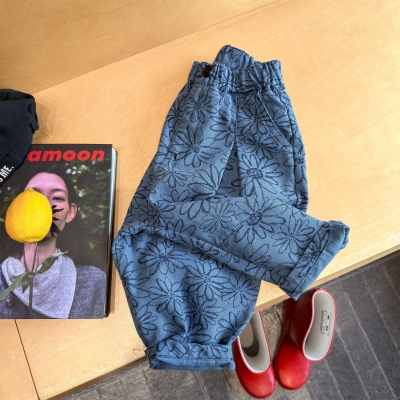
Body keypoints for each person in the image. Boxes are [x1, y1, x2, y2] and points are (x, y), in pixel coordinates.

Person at [0, 165, 106, 318]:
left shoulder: (94, 281)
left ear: (70, 213)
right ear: (16, 207)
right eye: (34, 196)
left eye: (57, 198)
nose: (44, 205)